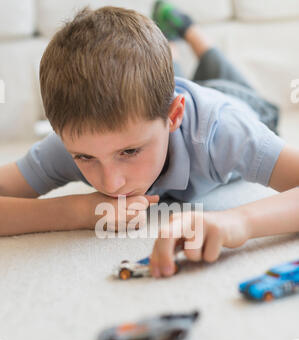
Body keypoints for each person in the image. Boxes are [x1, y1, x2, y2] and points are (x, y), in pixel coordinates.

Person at [0, 3, 298, 277]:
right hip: (162, 101)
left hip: (238, 99)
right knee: (161, 85)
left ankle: (189, 31)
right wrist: (77, 210)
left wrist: (238, 222)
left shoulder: (223, 130)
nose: (112, 183)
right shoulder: (79, 135)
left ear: (174, 115)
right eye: (85, 158)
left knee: (216, 65)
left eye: (128, 151)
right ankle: (171, 53)